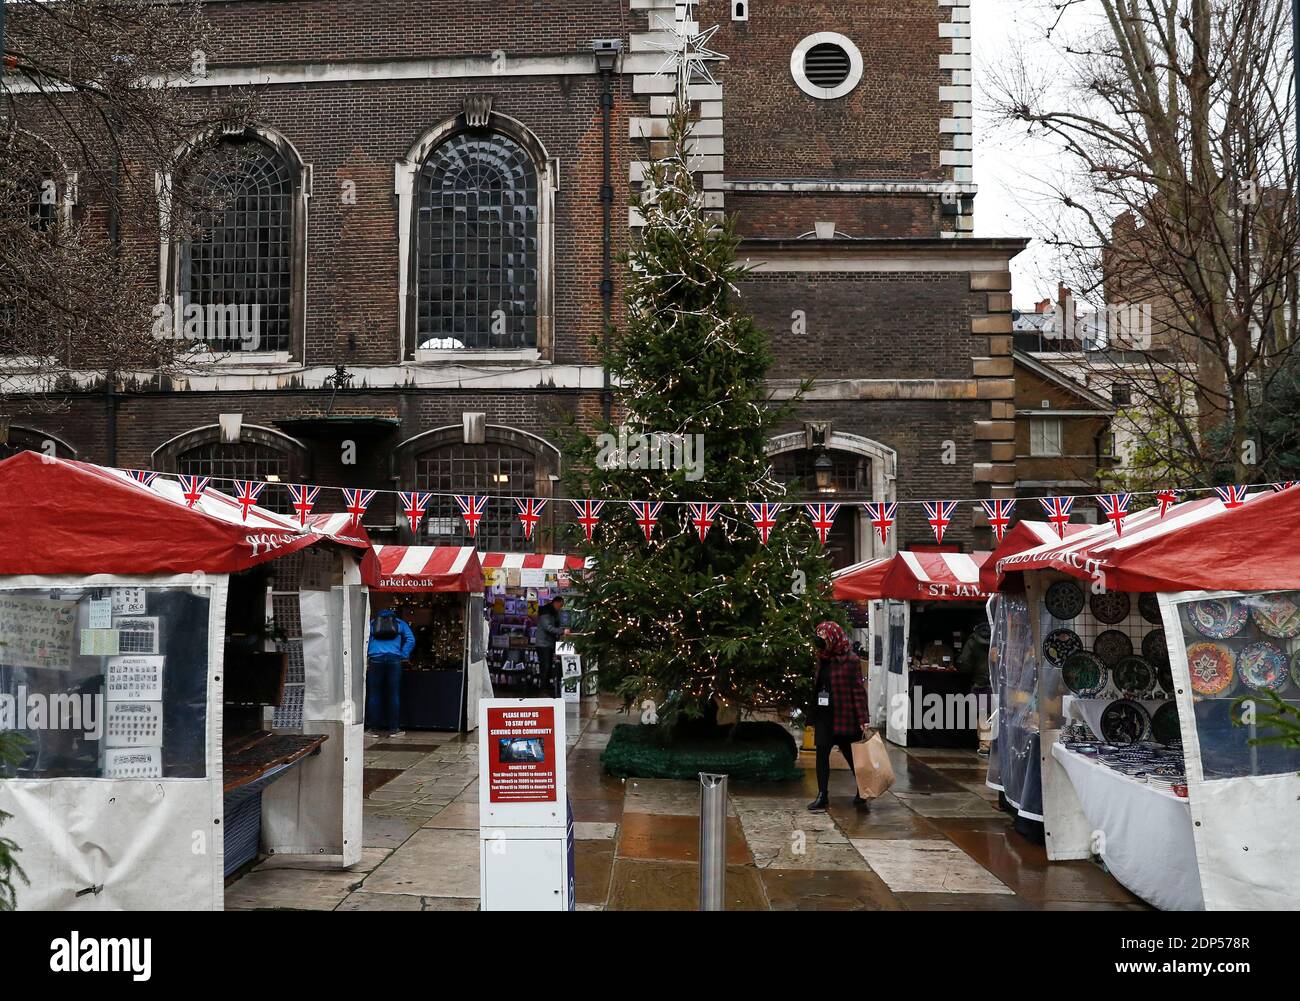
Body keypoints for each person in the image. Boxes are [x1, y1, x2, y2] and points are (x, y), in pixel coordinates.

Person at [808, 620, 870, 812]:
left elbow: (858, 690)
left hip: (845, 716)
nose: (821, 640)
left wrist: (863, 719)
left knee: (852, 757)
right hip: (824, 715)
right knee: (821, 755)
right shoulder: (822, 657)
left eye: (824, 636)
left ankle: (863, 790)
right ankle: (822, 794)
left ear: (833, 638)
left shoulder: (851, 660)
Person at [367, 607, 415, 737]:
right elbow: (411, 639)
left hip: (375, 659)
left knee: (374, 695)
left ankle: (373, 729)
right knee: (393, 694)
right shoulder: (399, 623)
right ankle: (394, 729)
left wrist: (368, 654)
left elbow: (364, 640)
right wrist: (403, 654)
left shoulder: (371, 623)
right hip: (394, 660)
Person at [534, 595, 570, 698]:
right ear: (556, 603)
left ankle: (546, 687)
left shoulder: (553, 613)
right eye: (561, 605)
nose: (561, 607)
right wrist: (562, 631)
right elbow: (548, 627)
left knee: (548, 666)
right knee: (545, 666)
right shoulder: (546, 613)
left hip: (548, 644)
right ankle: (543, 689)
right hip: (543, 644)